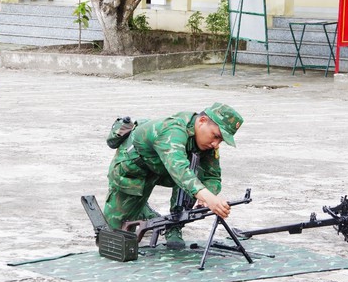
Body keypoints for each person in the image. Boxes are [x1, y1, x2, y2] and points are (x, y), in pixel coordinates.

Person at [103, 103, 244, 249]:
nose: (216, 144)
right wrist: (207, 197)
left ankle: (174, 224)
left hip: (166, 169)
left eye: (220, 140)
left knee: (193, 173)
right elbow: (179, 170)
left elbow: (212, 176)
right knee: (112, 242)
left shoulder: (207, 142)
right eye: (216, 136)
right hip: (132, 170)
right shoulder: (173, 130)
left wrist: (206, 196)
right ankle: (142, 209)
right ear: (202, 121)